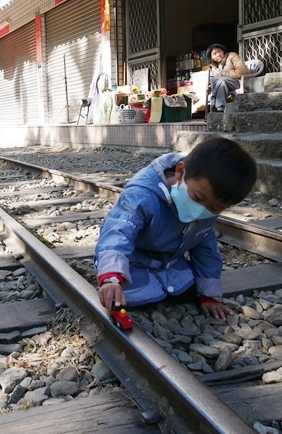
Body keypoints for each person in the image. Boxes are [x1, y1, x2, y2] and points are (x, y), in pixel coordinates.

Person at [95, 137, 257, 321]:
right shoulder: (142, 196)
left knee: (189, 288)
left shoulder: (206, 214)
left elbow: (206, 249)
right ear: (180, 172)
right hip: (133, 260)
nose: (201, 210)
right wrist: (111, 277)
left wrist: (209, 295)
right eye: (197, 197)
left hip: (168, 262)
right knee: (131, 295)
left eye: (213, 208)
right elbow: (118, 232)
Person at [206, 43, 248, 113]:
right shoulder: (213, 67)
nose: (218, 54)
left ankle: (213, 106)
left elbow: (242, 71)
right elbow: (219, 82)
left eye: (220, 51)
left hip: (238, 82)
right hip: (225, 85)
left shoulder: (232, 56)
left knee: (215, 79)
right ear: (211, 57)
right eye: (215, 54)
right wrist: (212, 87)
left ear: (223, 51)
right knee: (222, 82)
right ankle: (220, 109)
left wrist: (224, 74)